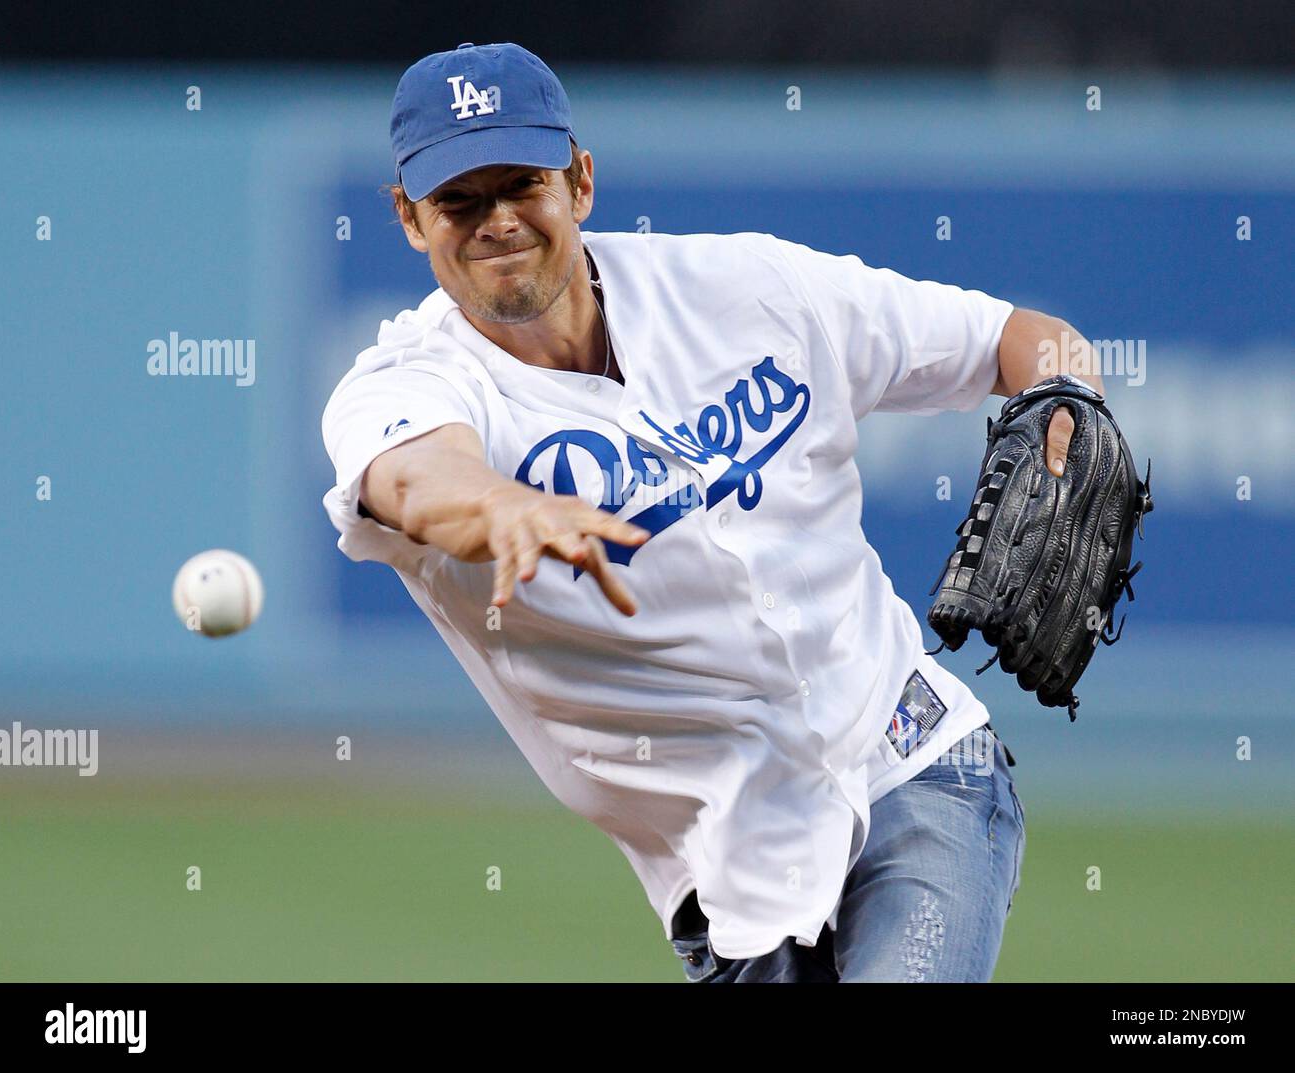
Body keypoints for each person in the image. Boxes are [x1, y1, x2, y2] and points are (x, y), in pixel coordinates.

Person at [322, 41, 1099, 982]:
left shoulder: (749, 288)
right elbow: (413, 475)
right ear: (410, 219)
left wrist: (1070, 400)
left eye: (521, 183)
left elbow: (1020, 338)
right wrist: (499, 506)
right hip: (731, 882)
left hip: (915, 763)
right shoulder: (403, 384)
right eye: (459, 200)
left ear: (581, 182)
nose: (498, 221)